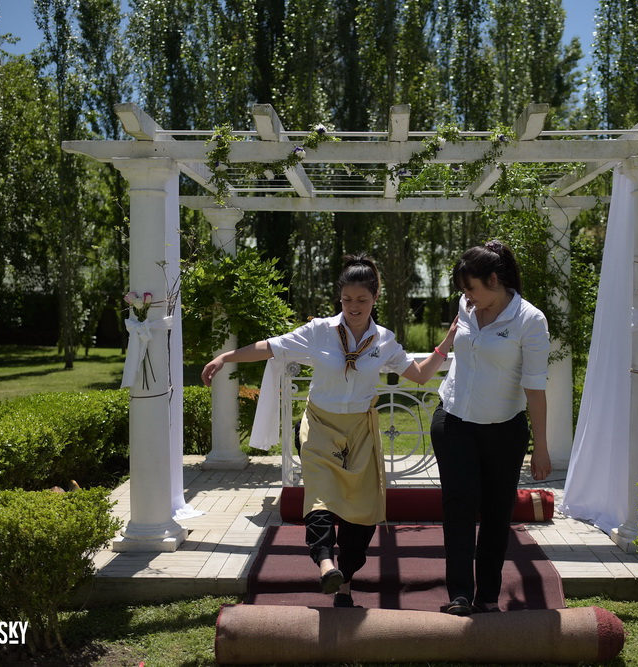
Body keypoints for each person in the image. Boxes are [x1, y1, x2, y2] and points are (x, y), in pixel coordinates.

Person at [201, 254, 457, 609]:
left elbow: (419, 375)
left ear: (375, 297)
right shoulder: (318, 331)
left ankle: (345, 584)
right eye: (347, 299)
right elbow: (270, 347)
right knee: (319, 496)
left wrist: (446, 343)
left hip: (361, 432)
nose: (354, 306)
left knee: (362, 510)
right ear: (339, 297)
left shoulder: (383, 341)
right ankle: (325, 563)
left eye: (362, 300)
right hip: (320, 425)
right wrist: (225, 357)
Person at [430, 240, 551, 616]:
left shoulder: (530, 320)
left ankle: (487, 596)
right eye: (463, 290)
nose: (466, 296)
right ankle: (460, 594)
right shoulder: (466, 308)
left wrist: (542, 447)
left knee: (498, 514)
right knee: (459, 509)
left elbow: (535, 386)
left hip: (504, 431)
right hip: (453, 423)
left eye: (472, 288)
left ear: (494, 280)